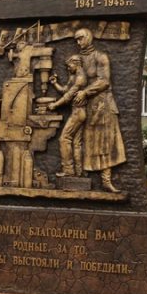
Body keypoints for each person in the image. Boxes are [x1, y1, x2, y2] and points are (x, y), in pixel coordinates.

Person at [72, 28, 126, 192]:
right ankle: (83, 178)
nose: (78, 42)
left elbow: (104, 81)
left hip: (104, 106)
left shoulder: (101, 57)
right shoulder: (77, 59)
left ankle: (106, 181)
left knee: (106, 143)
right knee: (87, 142)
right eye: (76, 40)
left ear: (88, 38)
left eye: (81, 38)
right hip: (87, 107)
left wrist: (85, 92)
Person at [48, 55, 87, 177]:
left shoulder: (80, 78)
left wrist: (55, 105)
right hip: (79, 112)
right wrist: (55, 84)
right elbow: (65, 90)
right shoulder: (74, 76)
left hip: (78, 112)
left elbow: (68, 96)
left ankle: (68, 170)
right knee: (76, 143)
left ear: (76, 63)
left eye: (69, 66)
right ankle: (79, 173)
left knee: (64, 139)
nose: (68, 68)